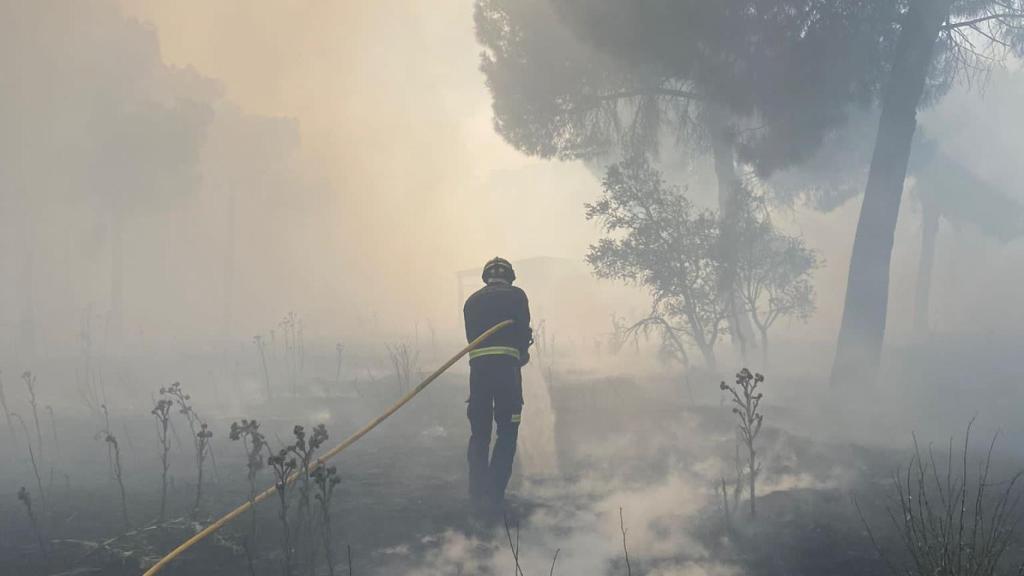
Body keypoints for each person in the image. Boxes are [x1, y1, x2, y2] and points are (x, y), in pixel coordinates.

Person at [463, 257, 533, 509]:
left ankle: (476, 494)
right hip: (507, 375)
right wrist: (521, 354)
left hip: (478, 376)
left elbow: (473, 339)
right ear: (510, 276)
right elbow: (523, 334)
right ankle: (494, 496)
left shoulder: (471, 301)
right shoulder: (516, 296)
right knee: (507, 431)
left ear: (486, 277)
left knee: (479, 434)